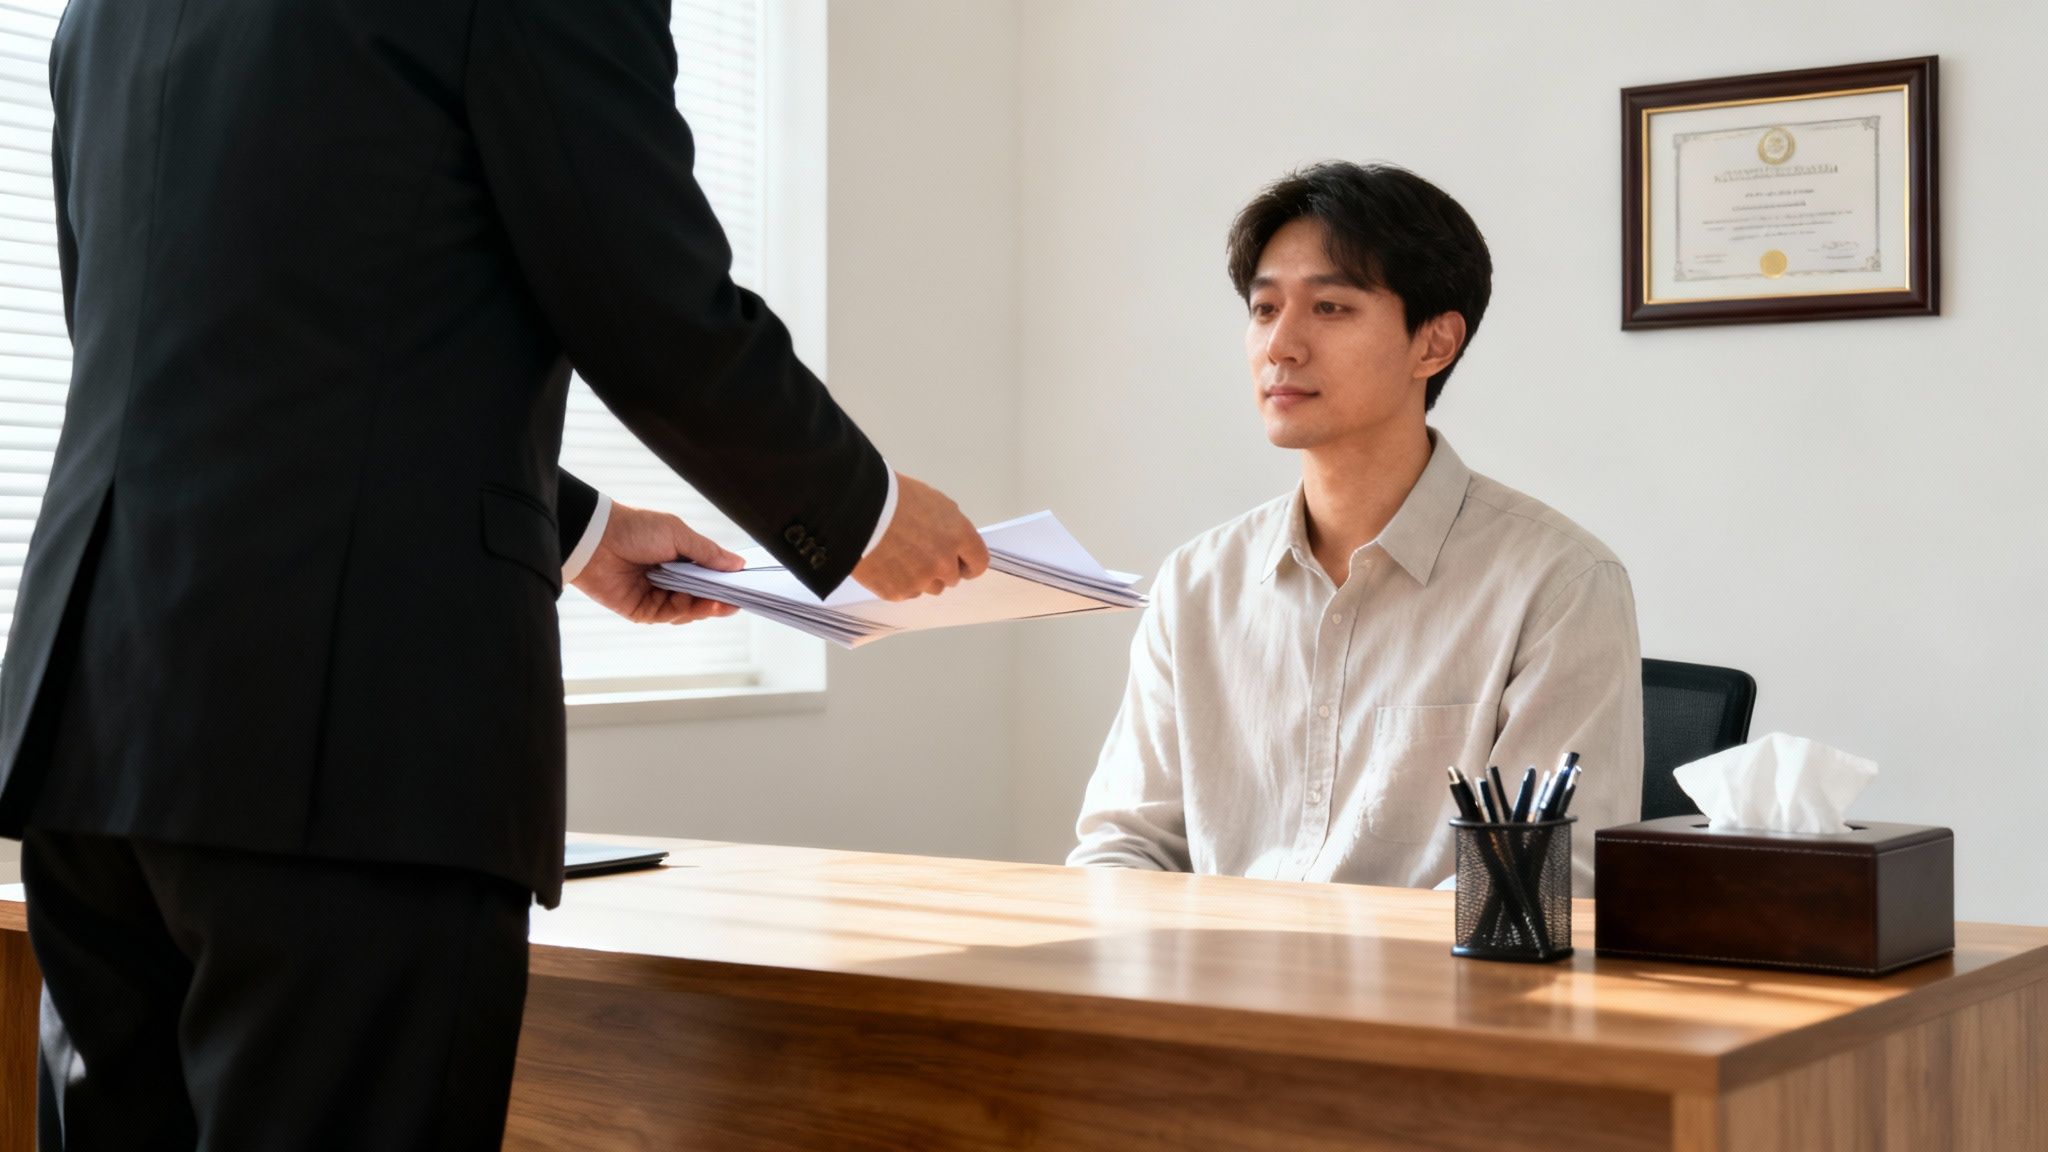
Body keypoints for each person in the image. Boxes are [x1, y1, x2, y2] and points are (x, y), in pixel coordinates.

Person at [0, 1, 986, 1147]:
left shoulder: (106, 12)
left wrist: (571, 527)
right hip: (345, 746)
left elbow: (205, 355)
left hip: (94, 728)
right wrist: (860, 510)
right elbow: (646, 290)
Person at [1068, 161, 1641, 892]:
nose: (1281, 346)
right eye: (1265, 309)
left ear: (1433, 344)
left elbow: (1535, 882)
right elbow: (1124, 846)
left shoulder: (1559, 583)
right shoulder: (1196, 584)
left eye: (1330, 308)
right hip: (1211, 993)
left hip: (1430, 999)